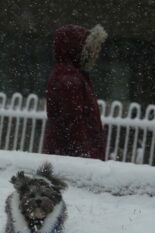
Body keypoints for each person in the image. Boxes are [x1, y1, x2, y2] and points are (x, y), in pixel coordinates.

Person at [43, 24, 108, 160]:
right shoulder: (68, 78)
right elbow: (72, 125)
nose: (96, 54)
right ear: (77, 50)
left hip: (68, 158)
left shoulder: (74, 75)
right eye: (92, 49)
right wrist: (86, 158)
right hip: (72, 163)